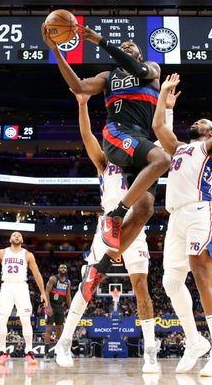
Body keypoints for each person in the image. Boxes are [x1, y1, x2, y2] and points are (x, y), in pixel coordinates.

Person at [42, 25, 171, 300]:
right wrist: (56, 50)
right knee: (162, 160)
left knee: (146, 210)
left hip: (140, 139)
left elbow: (137, 69)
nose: (126, 47)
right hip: (118, 133)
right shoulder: (107, 76)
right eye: (122, 46)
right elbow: (77, 86)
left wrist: (101, 40)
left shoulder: (151, 69)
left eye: (130, 46)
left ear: (139, 53)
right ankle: (116, 213)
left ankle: (99, 269)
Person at [54, 89, 178, 372]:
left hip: (134, 226)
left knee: (141, 287)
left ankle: (150, 350)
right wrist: (83, 104)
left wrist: (167, 108)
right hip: (107, 227)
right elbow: (87, 136)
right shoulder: (105, 161)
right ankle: (64, 342)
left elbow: (166, 141)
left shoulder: (141, 156)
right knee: (90, 280)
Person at [152, 67, 212, 377]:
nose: (197, 122)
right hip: (176, 217)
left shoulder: (210, 147)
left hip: (201, 211)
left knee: (202, 275)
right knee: (170, 282)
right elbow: (158, 128)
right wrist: (165, 101)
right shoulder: (179, 148)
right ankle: (194, 341)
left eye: (203, 122)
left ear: (211, 132)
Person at [0, 231, 48, 366]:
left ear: (22, 240)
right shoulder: (2, 253)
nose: (16, 236)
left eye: (19, 235)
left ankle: (29, 352)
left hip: (22, 287)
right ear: (10, 239)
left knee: (26, 320)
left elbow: (37, 273)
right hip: (6, 287)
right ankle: (3, 352)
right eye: (14, 235)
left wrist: (43, 292)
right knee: (1, 319)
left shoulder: (28, 255)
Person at [43, 263, 72, 356]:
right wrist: (48, 306)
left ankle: (58, 351)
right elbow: (46, 292)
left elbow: (68, 296)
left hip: (60, 307)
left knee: (60, 329)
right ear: (58, 269)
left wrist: (70, 308)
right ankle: (46, 353)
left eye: (65, 267)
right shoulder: (53, 279)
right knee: (49, 329)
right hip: (51, 305)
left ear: (66, 270)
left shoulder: (68, 282)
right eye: (61, 267)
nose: (63, 269)